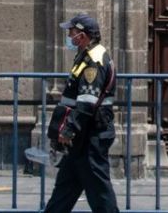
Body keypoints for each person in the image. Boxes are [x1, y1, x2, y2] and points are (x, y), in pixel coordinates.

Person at [43, 13, 119, 213]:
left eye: (72, 32)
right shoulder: (85, 56)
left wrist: (68, 130)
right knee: (64, 190)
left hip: (90, 137)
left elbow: (87, 103)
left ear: (83, 36)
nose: (69, 35)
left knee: (100, 194)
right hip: (82, 138)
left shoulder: (93, 61)